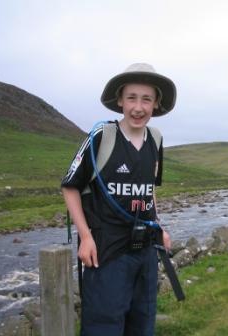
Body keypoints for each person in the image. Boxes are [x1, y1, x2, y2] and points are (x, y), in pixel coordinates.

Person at [61, 63, 176, 336]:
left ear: (156, 103)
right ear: (120, 101)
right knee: (104, 325)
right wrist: (86, 237)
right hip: (107, 251)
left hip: (146, 251)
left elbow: (149, 189)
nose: (138, 107)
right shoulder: (102, 137)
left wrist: (158, 225)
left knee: (142, 323)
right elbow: (70, 187)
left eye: (146, 99)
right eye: (132, 98)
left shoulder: (156, 140)